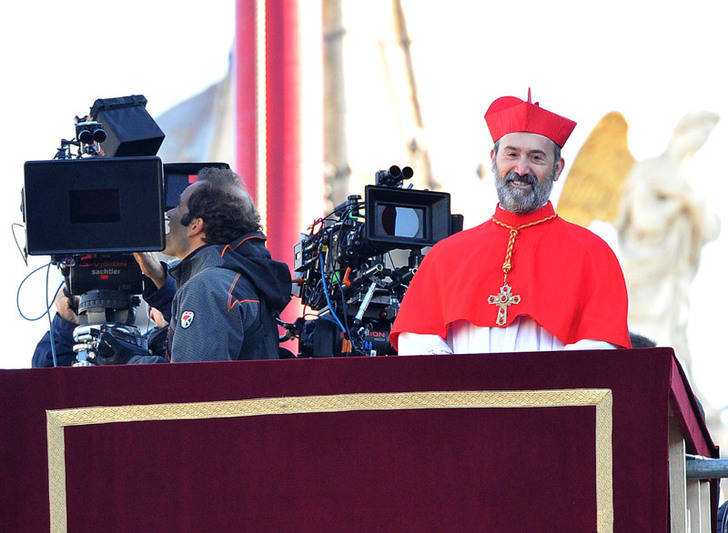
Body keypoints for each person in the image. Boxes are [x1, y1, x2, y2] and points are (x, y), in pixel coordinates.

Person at [390, 91, 631, 355]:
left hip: (555, 394)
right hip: (462, 394)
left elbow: (601, 350)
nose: (521, 169)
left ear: (558, 168)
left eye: (536, 157)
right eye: (511, 155)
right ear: (493, 159)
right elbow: (417, 342)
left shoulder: (593, 254)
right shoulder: (445, 255)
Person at [33, 166, 291, 365]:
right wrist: (160, 283)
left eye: (178, 206)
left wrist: (125, 360)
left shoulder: (207, 287)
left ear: (195, 225)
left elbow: (191, 385)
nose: (168, 213)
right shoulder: (231, 279)